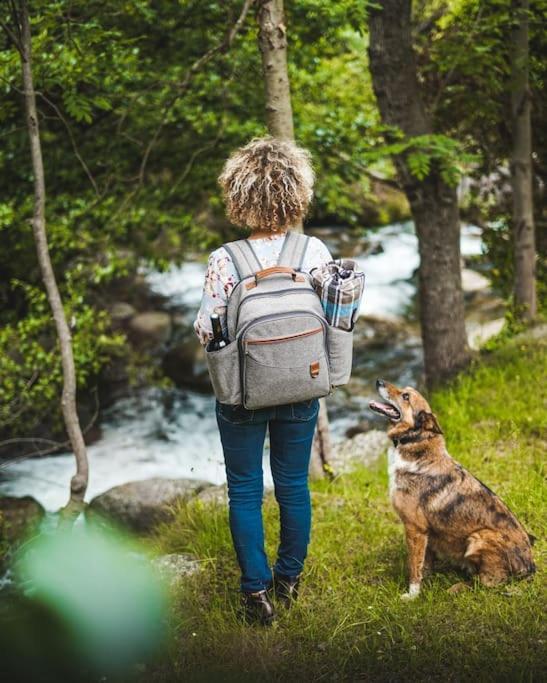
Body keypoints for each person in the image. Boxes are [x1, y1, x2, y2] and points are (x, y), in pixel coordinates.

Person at [194, 137, 333, 625]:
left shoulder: (224, 259)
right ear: (297, 192)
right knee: (294, 484)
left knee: (246, 489)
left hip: (243, 395)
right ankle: (289, 577)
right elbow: (335, 316)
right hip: (302, 386)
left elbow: (208, 326)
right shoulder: (313, 250)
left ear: (239, 196)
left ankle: (255, 593)